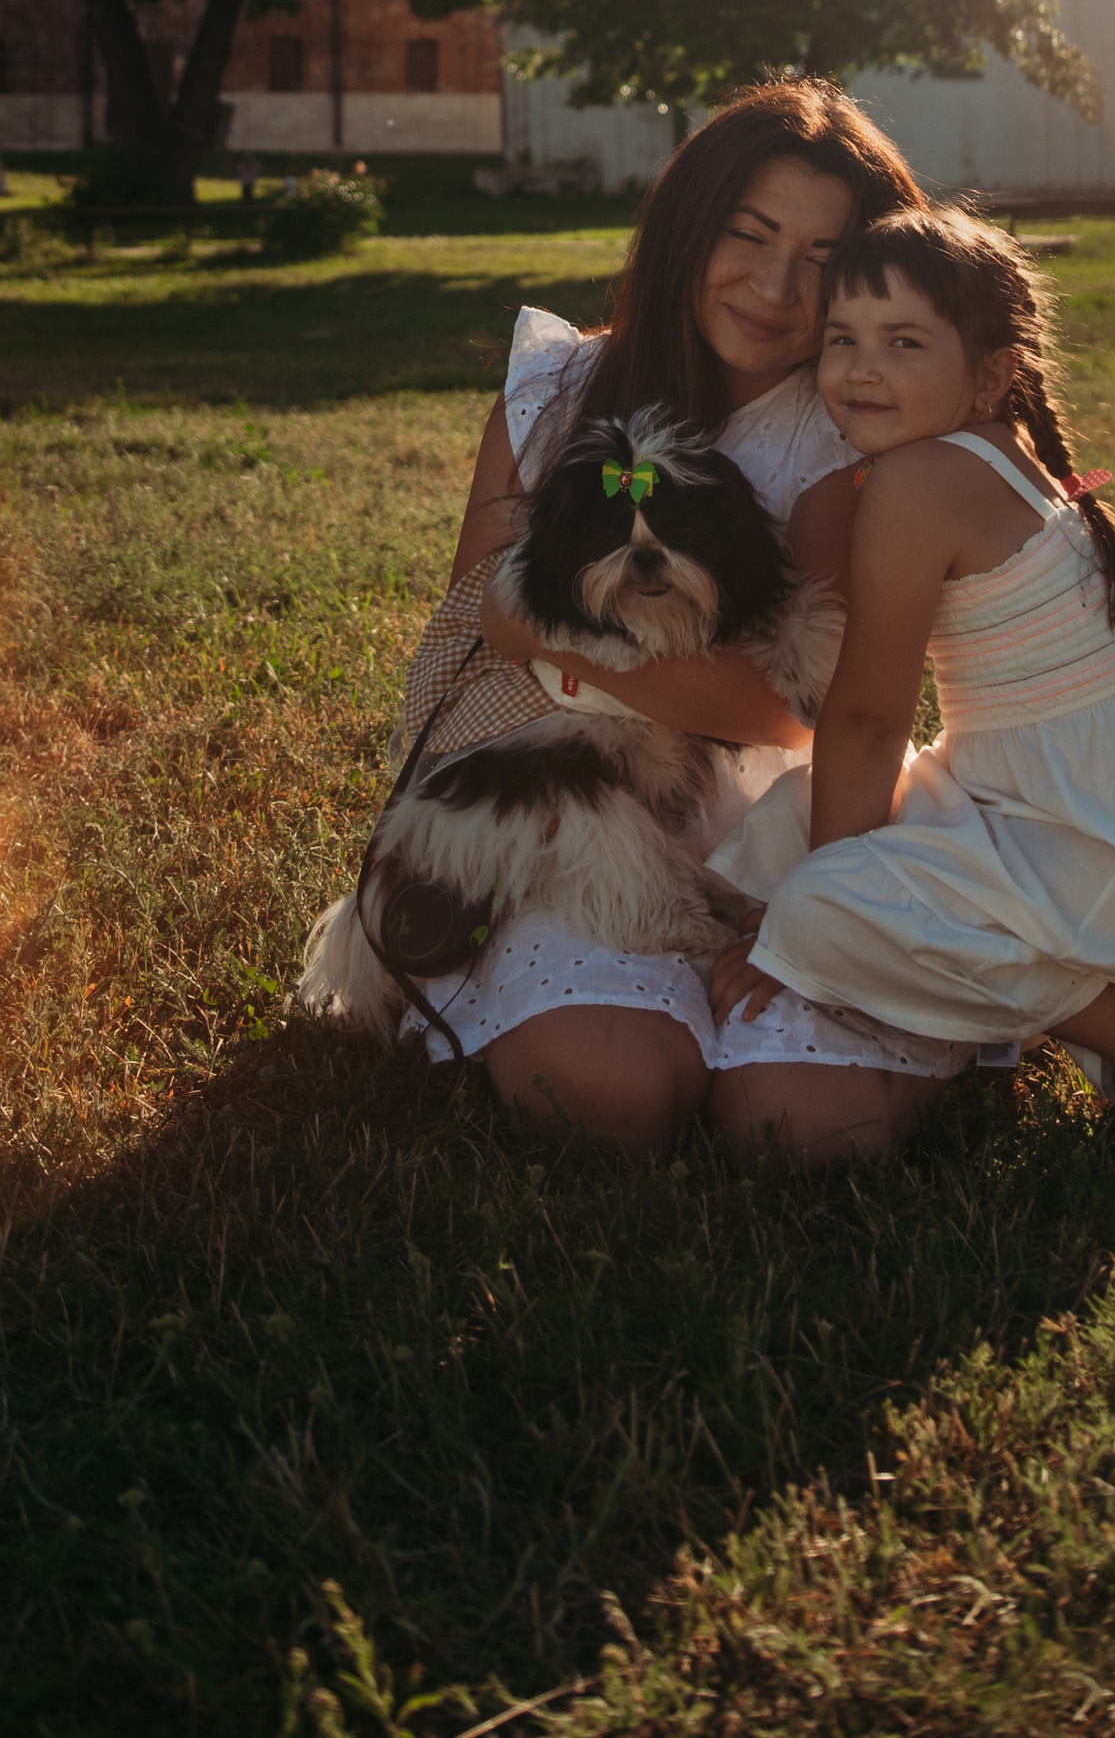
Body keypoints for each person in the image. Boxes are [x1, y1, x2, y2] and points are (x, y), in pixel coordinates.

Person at [346, 79, 971, 1159]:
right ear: (689, 226)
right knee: (612, 1096)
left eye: (822, 257)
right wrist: (577, 653)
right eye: (750, 234)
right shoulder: (555, 388)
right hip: (572, 829)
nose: (777, 286)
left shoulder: (837, 439)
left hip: (786, 827)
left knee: (796, 1125)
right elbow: (476, 611)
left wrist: (560, 648)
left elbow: (781, 711)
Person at [708, 205, 1115, 1200]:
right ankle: (1001, 1003)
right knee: (797, 815)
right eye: (842, 339)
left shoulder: (919, 482)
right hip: (1108, 825)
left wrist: (832, 913)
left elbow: (869, 717)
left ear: (994, 371)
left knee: (822, 895)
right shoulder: (987, 451)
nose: (858, 369)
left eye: (902, 342)